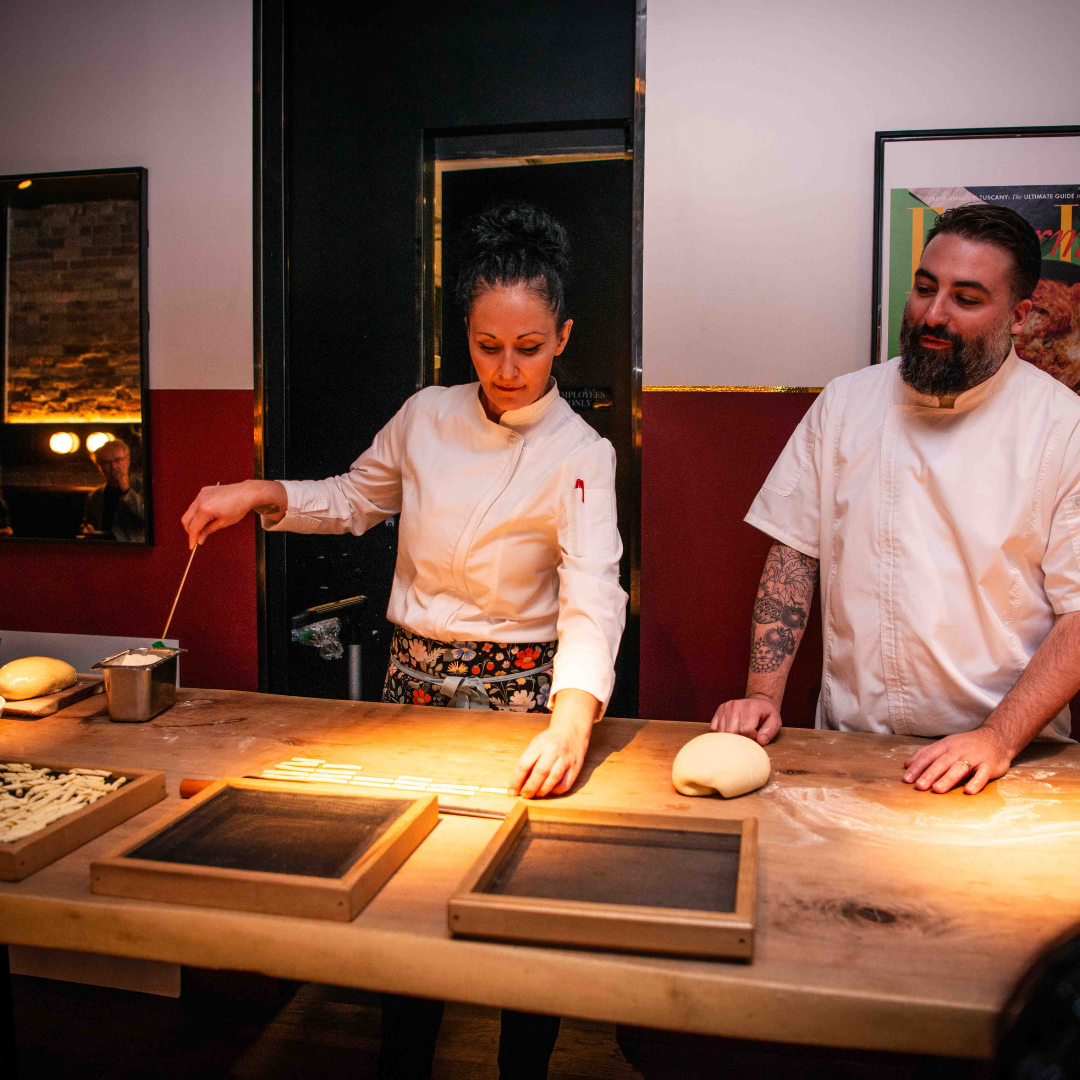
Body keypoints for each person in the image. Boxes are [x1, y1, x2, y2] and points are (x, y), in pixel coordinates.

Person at [181, 203, 627, 1080]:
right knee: (407, 900)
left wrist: (571, 724)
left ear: (563, 336)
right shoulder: (425, 414)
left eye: (529, 347)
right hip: (410, 691)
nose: (506, 368)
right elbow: (353, 499)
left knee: (515, 918)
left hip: (520, 705)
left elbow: (592, 600)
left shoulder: (584, 452)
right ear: (465, 332)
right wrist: (258, 490)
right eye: (487, 344)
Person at [712, 204, 1080, 795]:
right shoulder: (845, 404)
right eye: (925, 288)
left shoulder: (1064, 430)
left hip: (1005, 758)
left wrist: (999, 737)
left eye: (966, 298)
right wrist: (763, 694)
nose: (934, 314)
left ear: (1019, 316)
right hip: (851, 741)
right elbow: (795, 554)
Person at [81, 438, 145, 542]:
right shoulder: (95, 496)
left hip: (134, 551)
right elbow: (89, 523)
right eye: (106, 463)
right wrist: (88, 529)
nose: (113, 467)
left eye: (117, 461)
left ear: (127, 460)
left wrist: (126, 490)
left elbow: (147, 517)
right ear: (100, 467)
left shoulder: (142, 487)